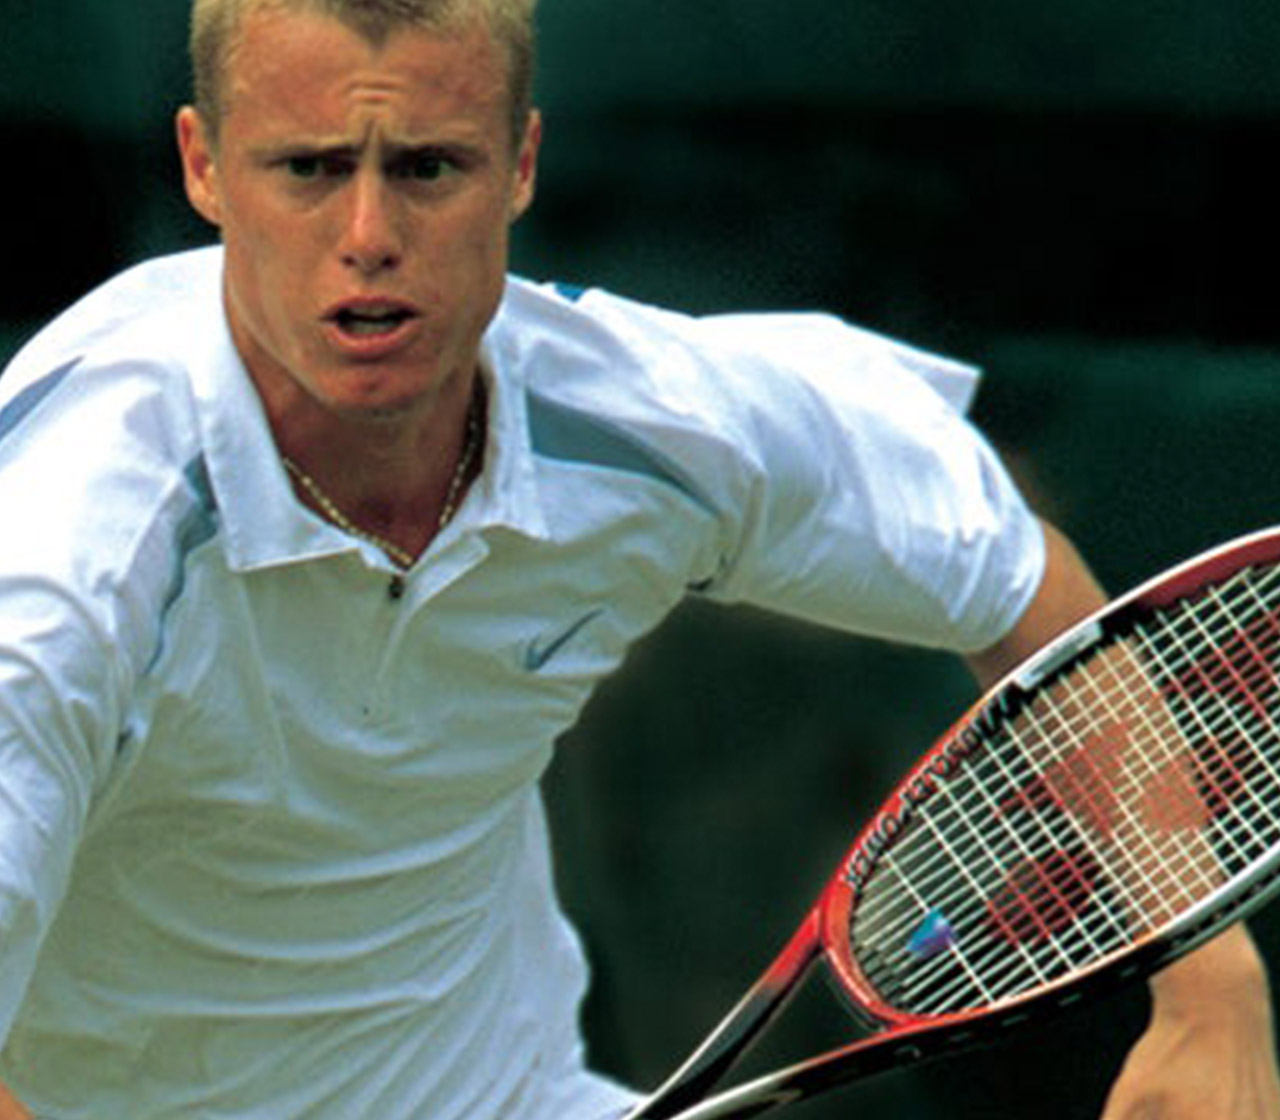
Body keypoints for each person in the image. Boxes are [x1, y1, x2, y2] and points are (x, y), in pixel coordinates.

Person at [0, 1, 1275, 1117]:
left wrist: (1209, 987)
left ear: (519, 164)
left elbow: (1011, 583)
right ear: (204, 166)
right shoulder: (69, 553)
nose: (368, 232)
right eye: (310, 168)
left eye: (429, 166)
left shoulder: (640, 427)